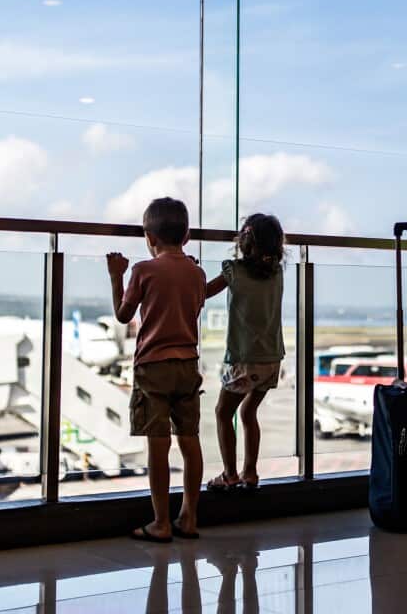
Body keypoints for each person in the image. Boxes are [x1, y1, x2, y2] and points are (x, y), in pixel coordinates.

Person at [107, 197, 207, 543]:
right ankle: (190, 517)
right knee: (190, 441)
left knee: (158, 446)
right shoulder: (197, 272)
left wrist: (116, 277)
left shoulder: (143, 271)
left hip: (153, 366)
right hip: (188, 364)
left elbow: (123, 315)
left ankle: (161, 522)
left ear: (149, 237)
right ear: (187, 235)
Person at [203, 213, 286, 494]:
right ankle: (250, 472)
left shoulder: (233, 271)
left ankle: (229, 473)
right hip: (272, 359)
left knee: (223, 412)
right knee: (249, 412)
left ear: (245, 241)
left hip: (243, 359)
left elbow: (202, 293)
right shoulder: (277, 272)